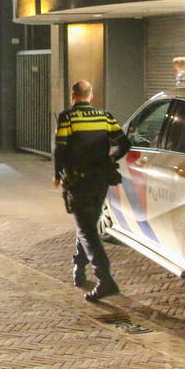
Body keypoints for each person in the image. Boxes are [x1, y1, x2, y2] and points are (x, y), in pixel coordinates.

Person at [53, 80, 131, 302]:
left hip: (79, 181)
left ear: (73, 96)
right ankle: (79, 269)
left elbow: (60, 148)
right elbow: (125, 143)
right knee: (88, 224)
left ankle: (105, 279)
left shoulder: (68, 117)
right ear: (91, 96)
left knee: (86, 229)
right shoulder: (105, 116)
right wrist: (110, 159)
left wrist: (57, 174)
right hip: (101, 181)